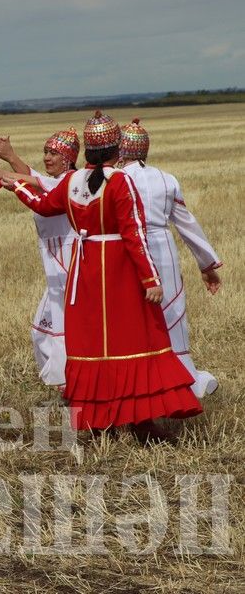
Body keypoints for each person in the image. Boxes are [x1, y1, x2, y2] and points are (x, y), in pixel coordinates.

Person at [0, 111, 202, 443]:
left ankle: (102, 422)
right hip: (119, 271)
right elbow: (134, 233)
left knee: (93, 344)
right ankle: (141, 423)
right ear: (118, 150)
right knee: (135, 340)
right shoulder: (120, 181)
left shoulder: (73, 183)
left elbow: (43, 205)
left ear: (86, 151)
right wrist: (150, 278)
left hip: (84, 271)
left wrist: (15, 186)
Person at [119, 118, 221, 396]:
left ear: (120, 151)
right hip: (163, 249)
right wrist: (207, 264)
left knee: (132, 317)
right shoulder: (167, 179)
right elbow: (187, 224)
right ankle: (184, 379)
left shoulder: (115, 179)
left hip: (127, 249)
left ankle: (139, 382)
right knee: (172, 315)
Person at [0, 128, 81, 389]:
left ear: (69, 158)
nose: (47, 158)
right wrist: (9, 156)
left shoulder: (72, 181)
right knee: (42, 331)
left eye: (54, 153)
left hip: (68, 265)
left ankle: (71, 384)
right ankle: (66, 382)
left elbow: (37, 183)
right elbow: (35, 178)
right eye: (46, 152)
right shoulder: (57, 180)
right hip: (55, 270)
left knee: (62, 332)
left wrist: (7, 174)